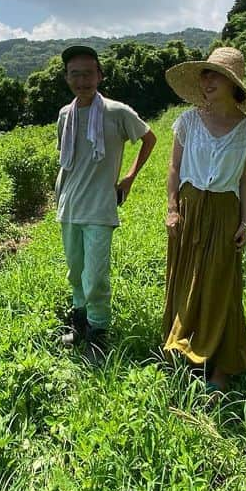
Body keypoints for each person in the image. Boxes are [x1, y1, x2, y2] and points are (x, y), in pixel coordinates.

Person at [162, 46, 246, 391]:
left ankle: (220, 366)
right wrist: (173, 207)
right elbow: (175, 167)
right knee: (185, 277)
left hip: (225, 210)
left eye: (214, 75)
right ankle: (183, 347)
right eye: (204, 75)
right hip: (190, 207)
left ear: (232, 83)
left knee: (221, 285)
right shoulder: (189, 120)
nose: (206, 82)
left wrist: (244, 221)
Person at [56, 45, 157, 351]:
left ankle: (98, 332)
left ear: (99, 75)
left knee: (96, 275)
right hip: (69, 206)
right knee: (75, 271)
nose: (82, 80)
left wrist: (129, 177)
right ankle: (79, 322)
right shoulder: (65, 115)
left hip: (100, 207)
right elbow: (65, 159)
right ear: (67, 78)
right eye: (75, 74)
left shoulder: (117, 112)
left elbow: (149, 139)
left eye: (88, 73)